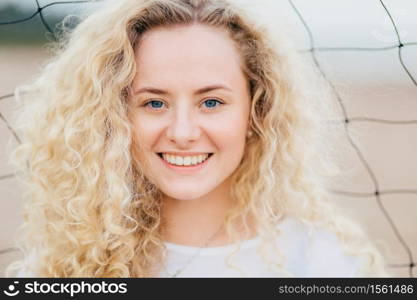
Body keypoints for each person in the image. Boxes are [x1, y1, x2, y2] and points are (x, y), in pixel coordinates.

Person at [7, 0, 390, 277]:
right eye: (154, 102)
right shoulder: (71, 258)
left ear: (257, 112)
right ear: (114, 116)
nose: (183, 133)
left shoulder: (321, 263)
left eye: (211, 101)